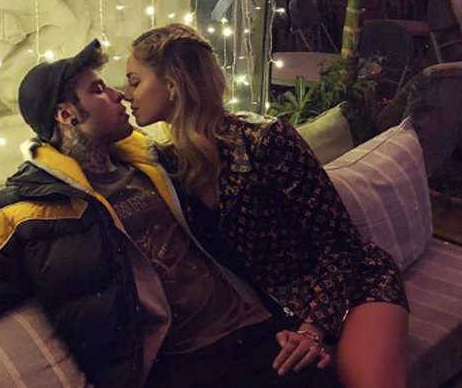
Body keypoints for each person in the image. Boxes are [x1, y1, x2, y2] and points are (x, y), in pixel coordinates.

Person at [0, 39, 342, 388]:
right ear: (66, 114)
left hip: (264, 331)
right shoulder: (26, 213)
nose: (120, 94)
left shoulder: (159, 165)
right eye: (98, 89)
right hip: (188, 365)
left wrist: (304, 322)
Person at [124, 24, 410, 388]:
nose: (127, 95)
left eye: (134, 82)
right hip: (275, 314)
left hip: (353, 285)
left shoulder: (266, 139)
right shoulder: (167, 165)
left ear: (171, 85)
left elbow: (341, 244)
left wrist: (313, 328)